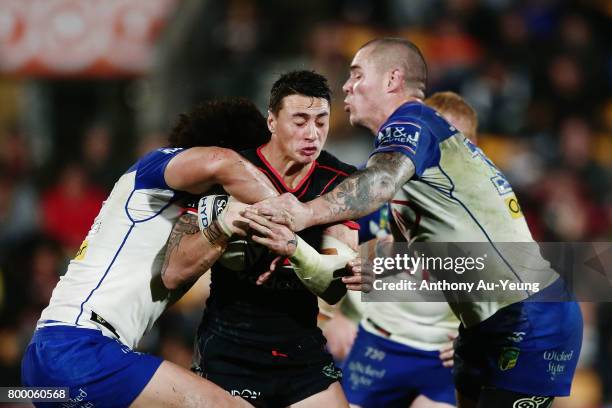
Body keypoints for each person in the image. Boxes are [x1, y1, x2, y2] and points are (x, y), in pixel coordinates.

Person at [252, 39, 583, 408]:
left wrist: (305, 212)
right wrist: (319, 264)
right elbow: (409, 250)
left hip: (530, 319)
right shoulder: (410, 157)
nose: (346, 86)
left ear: (392, 79)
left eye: (357, 75)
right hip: (483, 324)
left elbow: (377, 184)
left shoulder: (413, 120)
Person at [21, 98, 280, 408]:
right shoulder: (153, 168)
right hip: (79, 349)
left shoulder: (185, 219)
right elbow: (222, 160)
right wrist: (295, 213)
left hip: (51, 358)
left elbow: (174, 275)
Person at [162, 70, 361, 408]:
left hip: (302, 353)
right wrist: (221, 229)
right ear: (271, 120)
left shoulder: (340, 183)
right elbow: (172, 271)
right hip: (231, 350)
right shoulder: (227, 169)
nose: (312, 133)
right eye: (299, 120)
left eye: (321, 121)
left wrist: (294, 248)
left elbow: (334, 285)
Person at [332, 92, 477, 408]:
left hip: (445, 356)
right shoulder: (378, 187)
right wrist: (341, 314)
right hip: (380, 341)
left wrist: (478, 342)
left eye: (458, 145)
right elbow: (345, 255)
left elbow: (507, 289)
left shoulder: (489, 212)